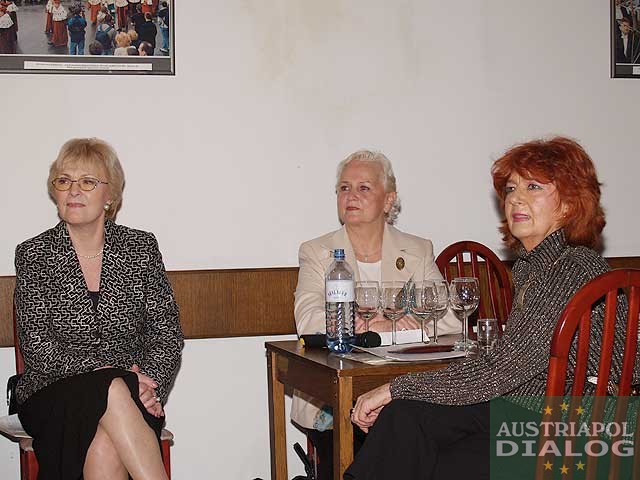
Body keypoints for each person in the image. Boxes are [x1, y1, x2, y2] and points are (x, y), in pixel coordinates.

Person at [345, 137, 631, 480]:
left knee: (435, 458)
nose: (516, 199)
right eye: (511, 189)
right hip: (526, 410)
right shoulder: (534, 268)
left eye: (533, 187)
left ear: (569, 204)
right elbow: (508, 368)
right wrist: (402, 395)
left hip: (579, 432)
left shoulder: (571, 267)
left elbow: (504, 368)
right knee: (406, 417)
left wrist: (394, 388)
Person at [14, 137, 184, 480]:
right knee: (112, 387)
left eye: (88, 181)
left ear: (111, 195)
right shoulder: (34, 254)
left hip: (134, 397)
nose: (73, 190)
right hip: (54, 393)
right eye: (64, 181)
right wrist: (115, 375)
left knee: (107, 440)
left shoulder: (140, 248)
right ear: (55, 192)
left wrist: (148, 387)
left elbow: (167, 335)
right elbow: (38, 348)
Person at [292, 149, 460, 480]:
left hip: (406, 387)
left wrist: (392, 327)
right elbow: (308, 318)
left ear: (388, 200)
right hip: (337, 395)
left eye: (364, 188)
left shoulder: (418, 249)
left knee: (428, 438)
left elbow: (449, 318)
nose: (351, 196)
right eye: (344, 188)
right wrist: (373, 326)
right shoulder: (317, 251)